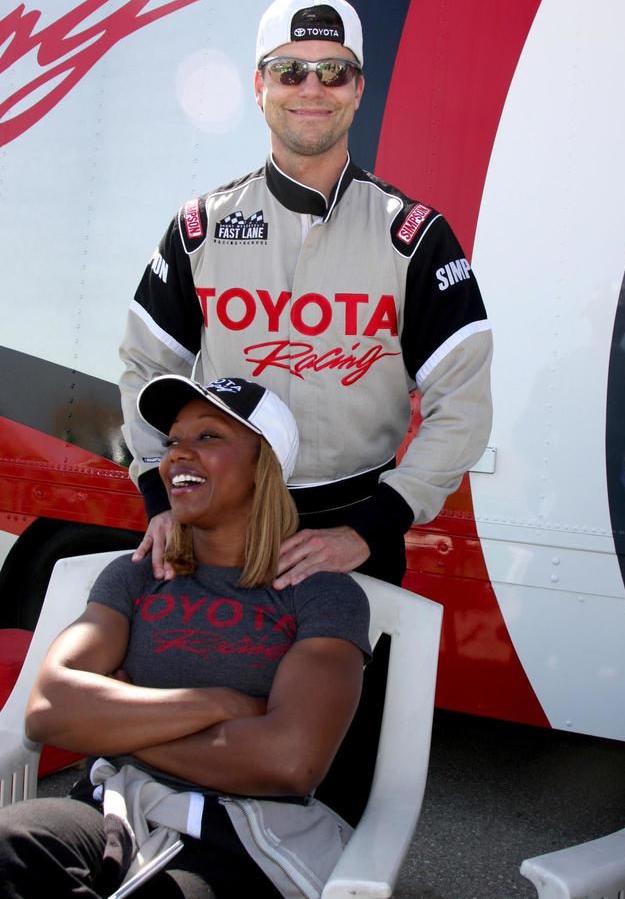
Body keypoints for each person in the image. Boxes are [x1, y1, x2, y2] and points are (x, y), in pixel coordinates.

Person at [118, 0, 492, 821]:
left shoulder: (415, 236)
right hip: (222, 522)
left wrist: (372, 528)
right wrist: (159, 497)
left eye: (334, 71)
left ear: (361, 88)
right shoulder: (200, 228)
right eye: (291, 70)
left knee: (334, 776)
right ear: (260, 87)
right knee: (204, 744)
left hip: (353, 527)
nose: (311, 87)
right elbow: (146, 370)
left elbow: (462, 404)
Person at [0, 375, 371, 898]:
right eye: (174, 441)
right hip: (115, 805)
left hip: (240, 831)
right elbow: (50, 708)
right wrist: (221, 703)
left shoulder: (319, 594)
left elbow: (289, 761)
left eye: (209, 437)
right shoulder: (136, 575)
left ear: (263, 466)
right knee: (10, 843)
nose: (178, 456)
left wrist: (117, 721)